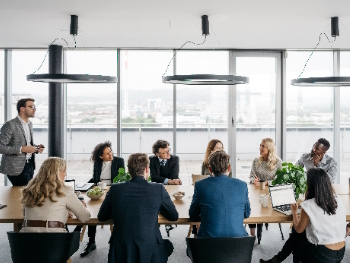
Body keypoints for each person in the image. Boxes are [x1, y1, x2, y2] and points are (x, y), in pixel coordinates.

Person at [98, 153, 179, 263]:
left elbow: (102, 217)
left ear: (128, 169)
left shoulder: (115, 189)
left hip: (121, 251)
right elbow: (173, 216)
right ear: (146, 169)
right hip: (149, 249)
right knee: (168, 245)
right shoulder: (158, 189)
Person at [260, 168, 346, 263]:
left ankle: (276, 260)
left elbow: (298, 229)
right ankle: (275, 260)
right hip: (340, 254)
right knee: (298, 237)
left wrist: (294, 212)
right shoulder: (337, 199)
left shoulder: (309, 205)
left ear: (311, 185)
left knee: (296, 241)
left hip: (324, 255)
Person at [77, 141, 125, 257]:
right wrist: (83, 186)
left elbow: (122, 179)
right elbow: (95, 179)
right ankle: (91, 242)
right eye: (107, 153)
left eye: (110, 151)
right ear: (100, 156)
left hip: (114, 191)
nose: (110, 154)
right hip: (99, 191)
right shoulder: (98, 163)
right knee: (91, 212)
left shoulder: (119, 161)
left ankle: (118, 243)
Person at [189, 150, 251, 237]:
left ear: (210, 169)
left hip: (207, 245)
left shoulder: (200, 185)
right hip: (239, 246)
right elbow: (246, 214)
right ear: (229, 168)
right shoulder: (242, 185)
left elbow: (193, 215)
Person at [20, 157, 90, 232]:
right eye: (64, 171)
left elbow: (25, 214)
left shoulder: (29, 189)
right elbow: (85, 217)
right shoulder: (66, 190)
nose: (65, 174)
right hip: (54, 240)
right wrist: (82, 206)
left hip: (26, 240)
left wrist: (64, 212)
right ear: (56, 173)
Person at [0, 98, 44, 186]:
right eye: (31, 107)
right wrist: (22, 149)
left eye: (34, 107)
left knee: (26, 194)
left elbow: (26, 144)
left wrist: (36, 148)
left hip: (29, 165)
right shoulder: (10, 125)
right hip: (15, 168)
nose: (34, 109)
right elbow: (1, 147)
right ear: (22, 109)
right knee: (23, 195)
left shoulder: (29, 124)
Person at [248, 138, 282, 237]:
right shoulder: (256, 160)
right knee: (251, 208)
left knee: (263, 208)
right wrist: (253, 181)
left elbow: (279, 181)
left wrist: (266, 183)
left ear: (270, 148)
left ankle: (262, 224)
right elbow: (251, 176)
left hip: (271, 193)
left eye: (263, 146)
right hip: (256, 191)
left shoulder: (278, 162)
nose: (260, 148)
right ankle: (252, 236)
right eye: (260, 145)